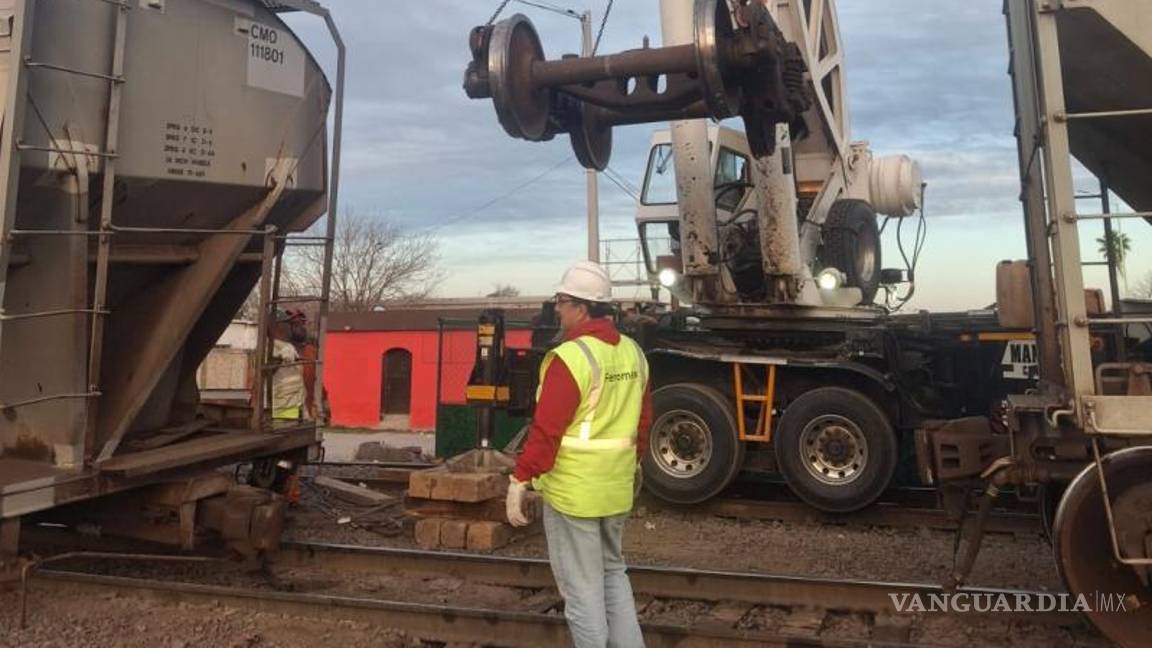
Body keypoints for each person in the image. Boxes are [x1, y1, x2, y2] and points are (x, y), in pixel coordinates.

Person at [505, 260, 652, 648]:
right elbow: (643, 423)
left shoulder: (571, 358)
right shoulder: (633, 353)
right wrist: (632, 466)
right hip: (615, 489)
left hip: (575, 494)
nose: (558, 307)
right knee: (613, 573)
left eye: (563, 300)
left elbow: (547, 430)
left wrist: (520, 478)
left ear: (582, 307)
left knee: (582, 590)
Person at [267, 309, 306, 421]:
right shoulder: (267, 347)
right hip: (279, 411)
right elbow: (265, 373)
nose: (290, 327)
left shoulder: (289, 346)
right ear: (277, 327)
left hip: (293, 408)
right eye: (287, 324)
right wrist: (278, 358)